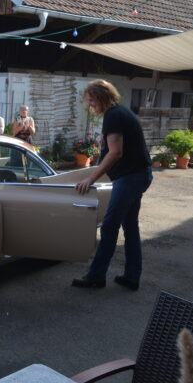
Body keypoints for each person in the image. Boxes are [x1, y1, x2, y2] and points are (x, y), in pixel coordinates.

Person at [72, 79, 153, 291]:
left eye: (91, 100)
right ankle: (132, 277)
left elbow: (116, 152)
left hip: (131, 178)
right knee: (130, 226)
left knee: (109, 226)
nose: (90, 105)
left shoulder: (113, 116)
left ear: (101, 97)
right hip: (139, 175)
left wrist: (90, 179)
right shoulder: (120, 112)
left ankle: (96, 276)